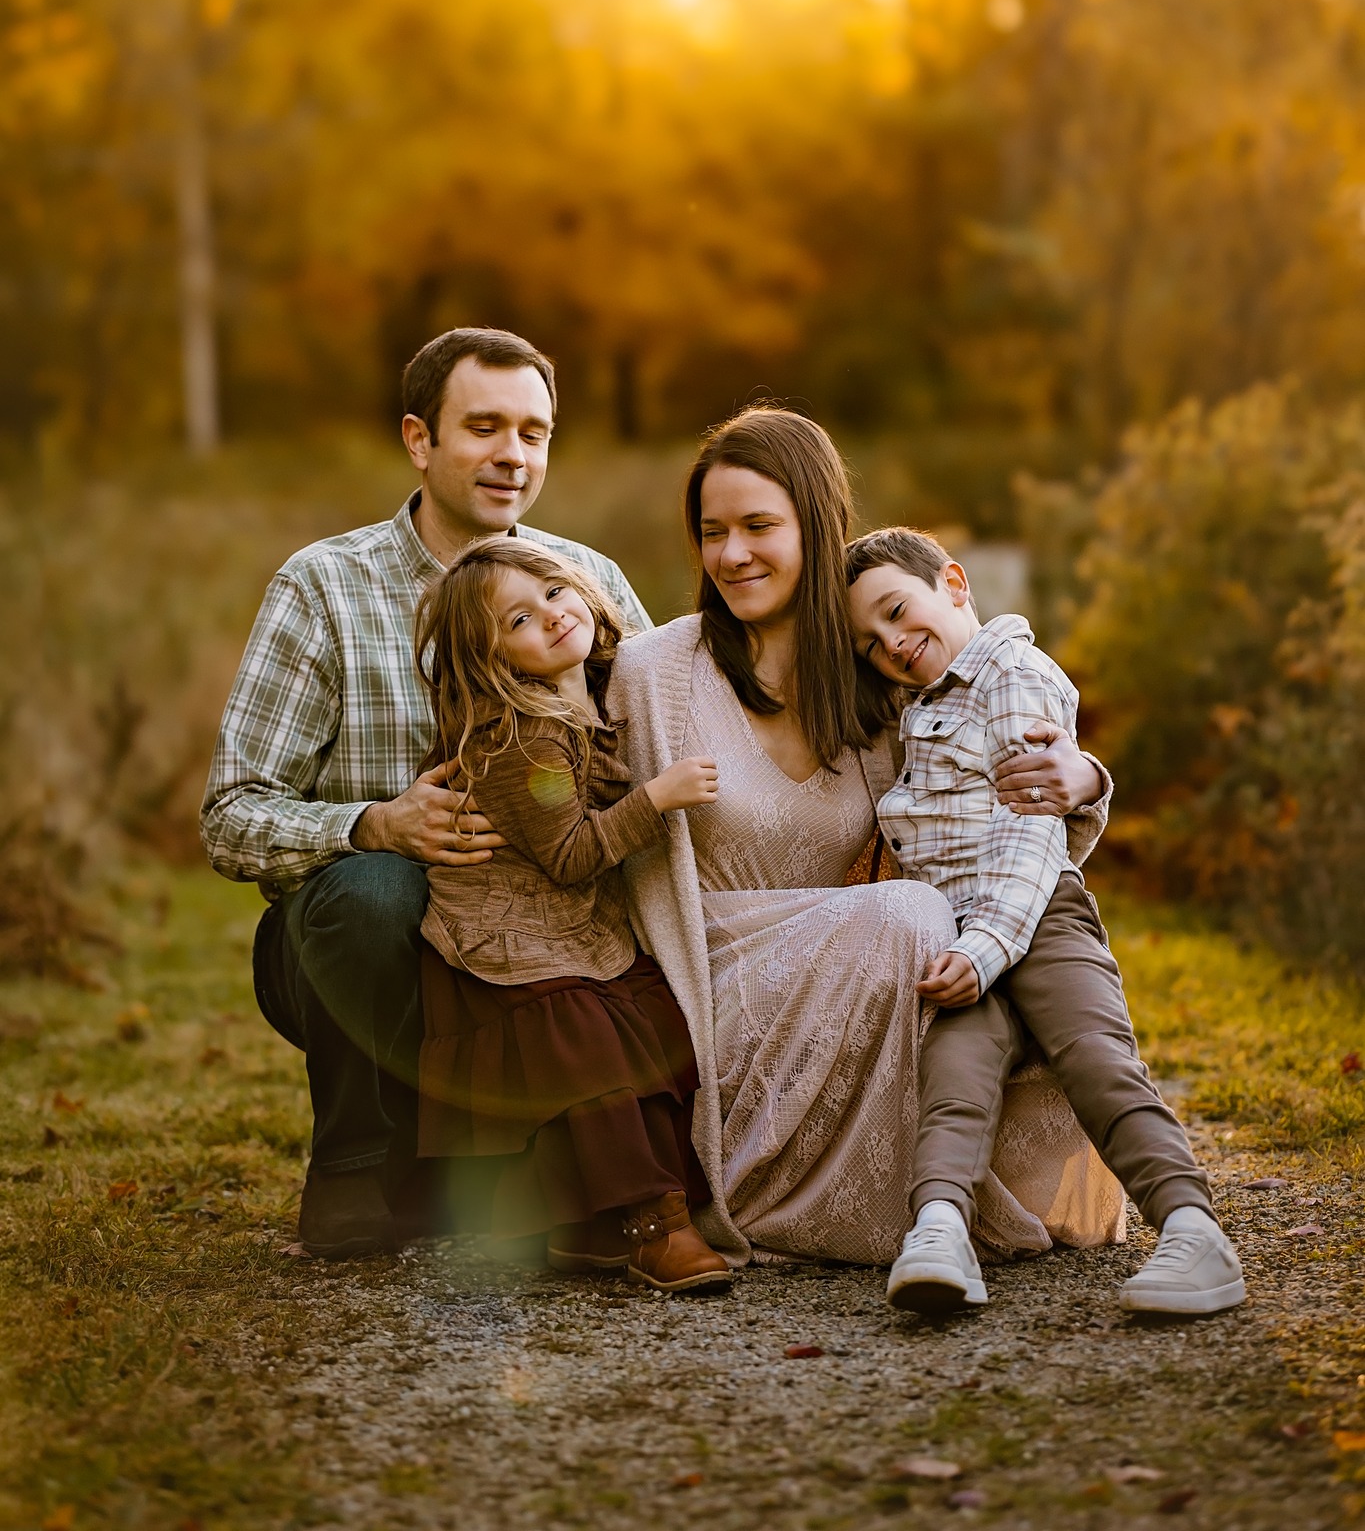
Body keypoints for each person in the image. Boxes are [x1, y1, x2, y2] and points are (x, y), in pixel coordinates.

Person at [607, 407, 1125, 1266]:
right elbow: (586, 824)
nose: (732, 554)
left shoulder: (880, 682)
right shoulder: (656, 671)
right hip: (706, 977)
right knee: (911, 918)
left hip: (854, 976)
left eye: (758, 527)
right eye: (711, 532)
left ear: (817, 527)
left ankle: (948, 1199)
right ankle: (881, 1206)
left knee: (1014, 956)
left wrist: (1086, 779)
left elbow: (992, 802)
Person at [200, 327, 650, 1259]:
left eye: (533, 431)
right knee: (376, 891)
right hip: (362, 955)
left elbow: (673, 729)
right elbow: (231, 814)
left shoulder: (587, 581)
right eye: (483, 426)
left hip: (543, 946)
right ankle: (353, 1167)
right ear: (419, 438)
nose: (511, 455)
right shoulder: (326, 585)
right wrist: (375, 824)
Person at [846, 525, 1246, 1317]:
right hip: (964, 935)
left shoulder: (1009, 674)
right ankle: (938, 1232)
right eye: (869, 641)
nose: (890, 642)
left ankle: (1194, 1232)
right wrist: (968, 948)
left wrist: (989, 949)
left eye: (897, 611)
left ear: (953, 584)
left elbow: (1033, 831)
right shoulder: (919, 702)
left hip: (1037, 922)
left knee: (1095, 1056)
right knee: (954, 1076)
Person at [414, 534, 730, 1294]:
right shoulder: (520, 739)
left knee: (656, 1021)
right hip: (510, 936)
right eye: (518, 621)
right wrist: (656, 799)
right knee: (587, 1044)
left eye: (554, 593)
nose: (551, 618)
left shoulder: (592, 692)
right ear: (493, 661)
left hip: (575, 924)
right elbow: (569, 854)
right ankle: (657, 1225)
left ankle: (593, 1224)